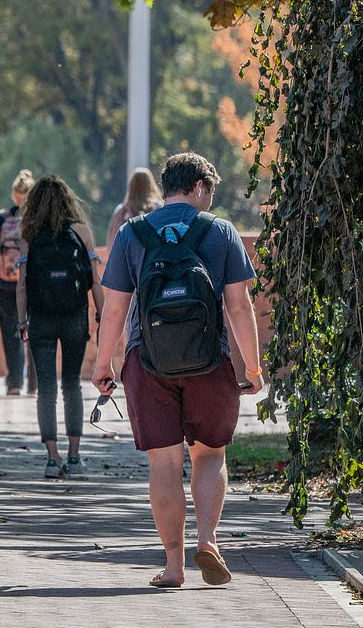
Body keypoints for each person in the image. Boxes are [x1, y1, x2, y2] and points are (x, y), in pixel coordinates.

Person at [92, 152, 262, 589]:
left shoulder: (132, 232)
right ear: (202, 187)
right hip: (210, 361)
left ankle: (173, 566)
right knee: (209, 454)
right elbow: (238, 306)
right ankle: (208, 539)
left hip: (147, 361)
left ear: (168, 187)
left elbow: (114, 307)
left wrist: (103, 364)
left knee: (163, 463)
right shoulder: (221, 231)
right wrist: (254, 367)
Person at [15, 175, 104, 479]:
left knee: (46, 389)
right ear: (68, 200)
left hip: (40, 317)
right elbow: (94, 280)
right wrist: (102, 316)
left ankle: (52, 459)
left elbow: (22, 285)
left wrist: (22, 321)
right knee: (71, 384)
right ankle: (75, 456)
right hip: (74, 315)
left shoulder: (29, 233)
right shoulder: (80, 231)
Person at [0, 170, 35, 396]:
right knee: (35, 332)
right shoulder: (37, 220)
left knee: (11, 332)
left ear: (14, 195)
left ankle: (14, 383)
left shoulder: (1, 219)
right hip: (32, 285)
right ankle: (35, 383)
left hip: (5, 284)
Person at [106, 166, 164, 248]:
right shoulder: (160, 208)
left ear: (131, 186)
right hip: (154, 256)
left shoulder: (122, 211)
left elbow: (112, 242)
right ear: (151, 184)